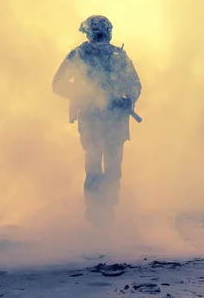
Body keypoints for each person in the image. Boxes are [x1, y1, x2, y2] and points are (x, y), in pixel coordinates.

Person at [52, 15, 142, 228]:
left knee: (108, 168)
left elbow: (134, 86)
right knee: (98, 166)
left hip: (113, 120)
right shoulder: (81, 55)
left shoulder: (116, 56)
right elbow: (59, 85)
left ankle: (104, 213)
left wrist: (126, 100)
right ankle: (97, 214)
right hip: (93, 118)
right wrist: (84, 94)